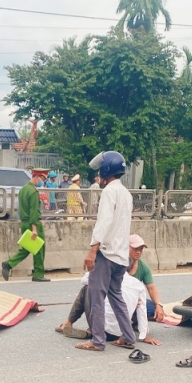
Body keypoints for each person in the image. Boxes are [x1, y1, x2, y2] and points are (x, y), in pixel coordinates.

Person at [78, 151, 135, 352]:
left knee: (96, 298)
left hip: (107, 253)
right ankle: (128, 337)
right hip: (121, 256)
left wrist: (93, 250)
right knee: (116, 297)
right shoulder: (126, 194)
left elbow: (104, 222)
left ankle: (97, 340)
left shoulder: (110, 192)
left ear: (106, 170)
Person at [55, 271, 160, 346]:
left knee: (86, 289)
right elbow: (142, 311)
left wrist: (96, 272)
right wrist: (143, 335)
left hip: (100, 329)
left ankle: (69, 323)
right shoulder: (137, 284)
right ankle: (125, 336)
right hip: (118, 334)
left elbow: (84, 280)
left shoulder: (103, 276)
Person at [2, 172, 49, 282]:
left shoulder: (23, 189)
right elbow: (33, 210)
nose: (42, 182)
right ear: (36, 177)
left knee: (27, 248)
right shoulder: (33, 192)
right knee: (39, 249)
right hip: (33, 223)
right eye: (42, 178)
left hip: (24, 222)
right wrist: (34, 228)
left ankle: (8, 264)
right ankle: (38, 274)